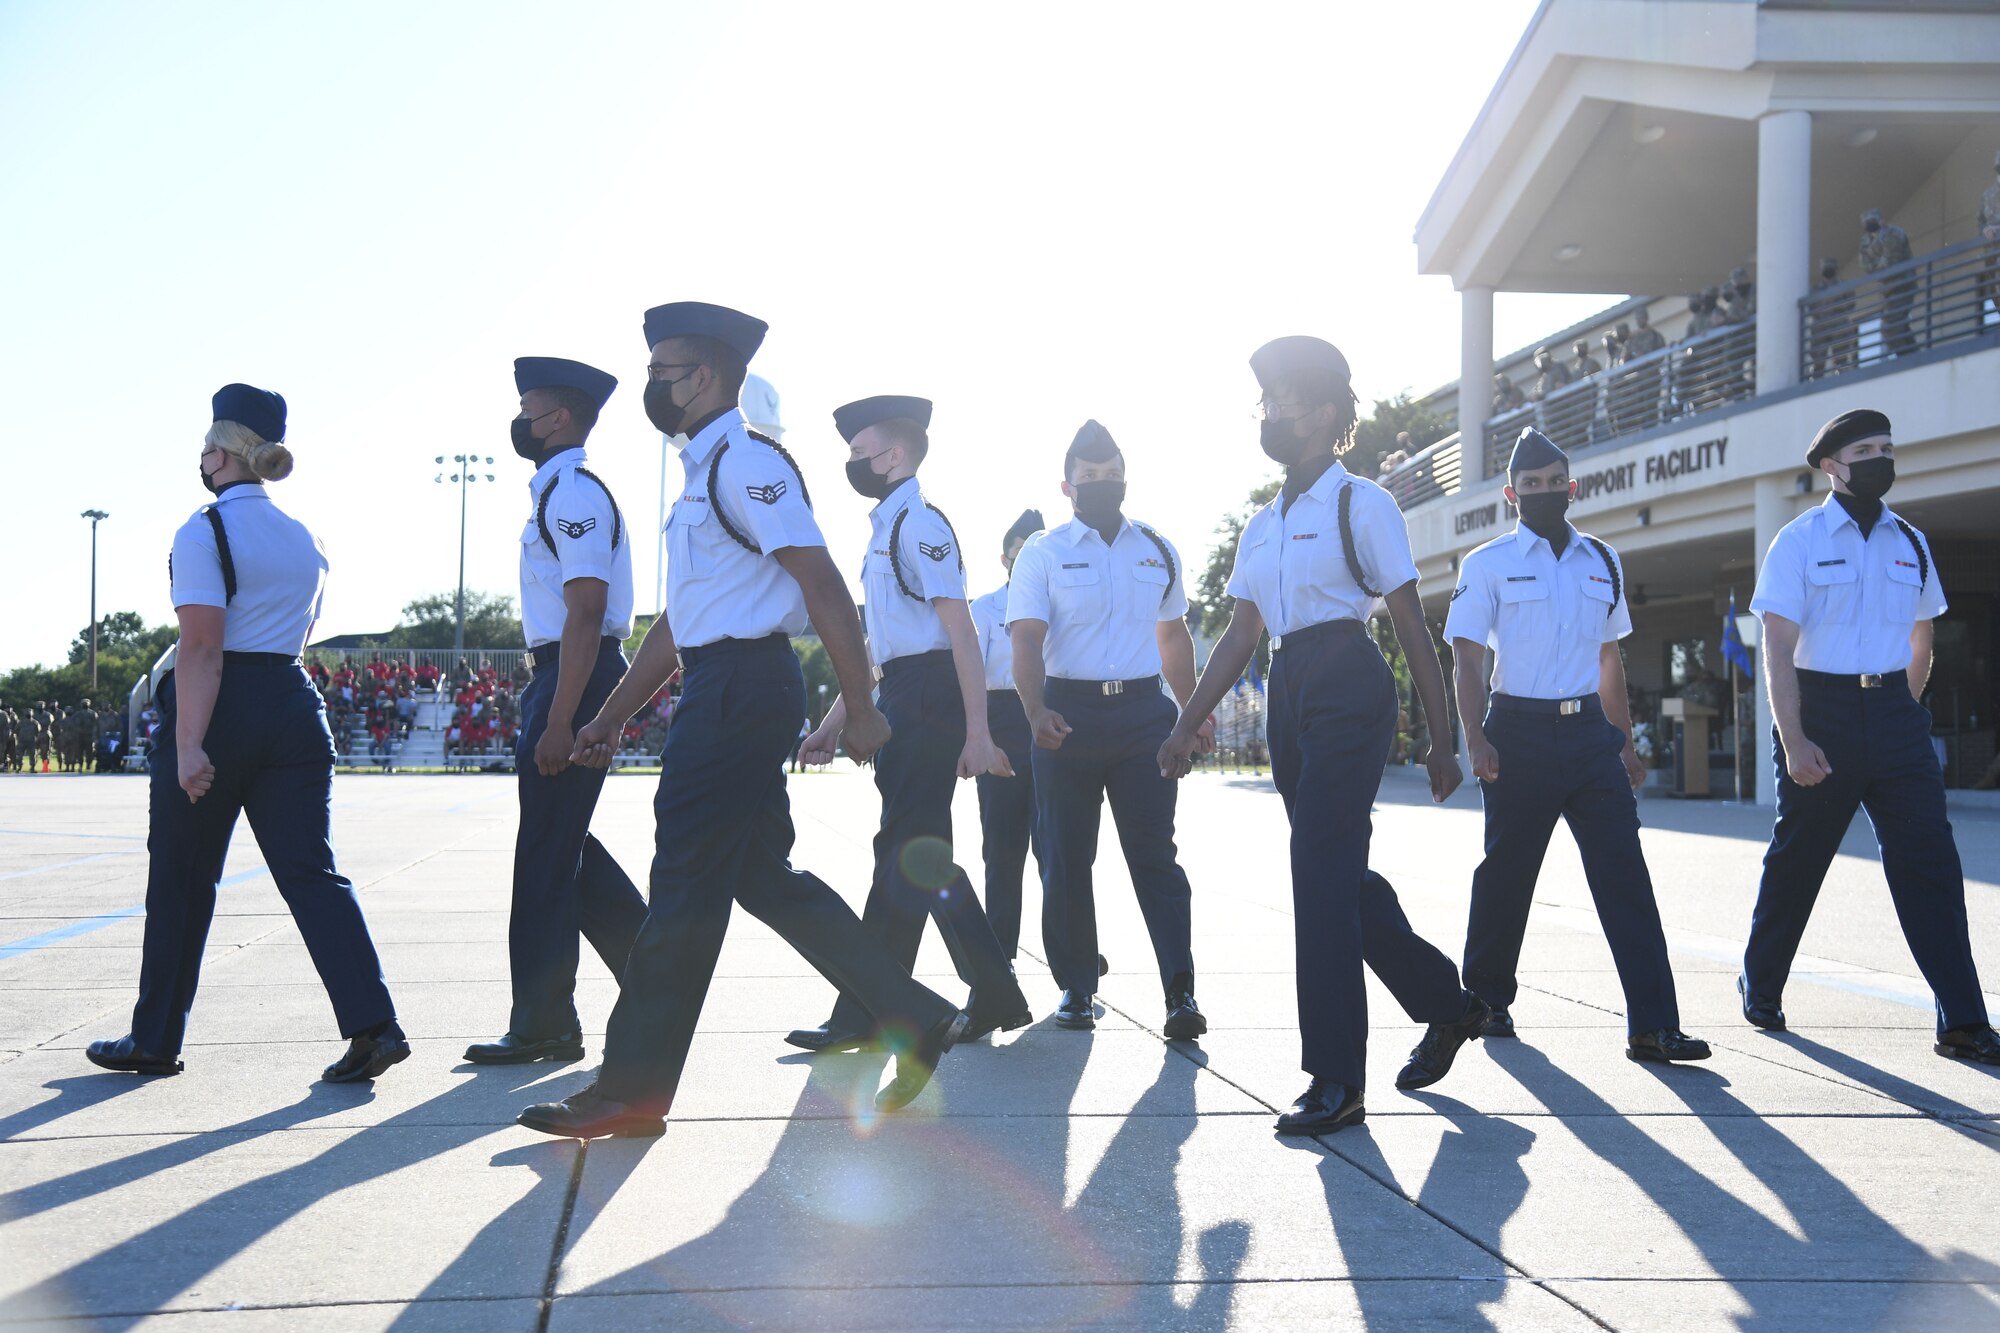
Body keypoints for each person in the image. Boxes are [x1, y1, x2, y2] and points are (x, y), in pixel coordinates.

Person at [518, 302, 966, 1138]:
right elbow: (680, 626)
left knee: (682, 884)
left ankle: (631, 1088)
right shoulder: (702, 472)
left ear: (709, 376)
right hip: (723, 682)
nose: (653, 386)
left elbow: (823, 583)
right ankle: (914, 1011)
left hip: (740, 690)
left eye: (664, 371)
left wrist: (861, 707)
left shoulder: (748, 466)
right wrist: (611, 715)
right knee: (762, 877)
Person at [1159, 335, 1488, 1137]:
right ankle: (1450, 1004)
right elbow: (1240, 634)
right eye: (1265, 399)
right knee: (1336, 873)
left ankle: (1336, 1077)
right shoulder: (1261, 523)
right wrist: (1185, 720)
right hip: (1289, 690)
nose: (1270, 411)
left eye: (1284, 399)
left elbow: (1411, 621)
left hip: (1348, 679)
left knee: (1317, 873)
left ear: (1328, 412)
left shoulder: (1361, 502)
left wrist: (1441, 739)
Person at [85, 384, 405, 1082]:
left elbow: (202, 646)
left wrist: (190, 743)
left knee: (181, 877)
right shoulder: (306, 537)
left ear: (223, 452)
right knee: (311, 874)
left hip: (222, 704)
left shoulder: (205, 530)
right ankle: (374, 1024)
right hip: (293, 701)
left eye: (204, 444)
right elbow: (294, 634)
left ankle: (155, 1036)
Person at [1445, 427, 1710, 1064]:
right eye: (1529, 486)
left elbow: (1608, 656)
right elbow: (1467, 656)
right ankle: (1485, 1003)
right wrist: (1474, 737)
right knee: (1507, 875)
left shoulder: (1603, 560)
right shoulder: (1486, 564)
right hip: (1517, 731)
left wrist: (1623, 741)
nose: (1542, 493)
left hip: (1591, 735)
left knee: (1626, 876)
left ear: (1573, 487)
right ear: (1511, 494)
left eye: (1552, 483)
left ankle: (1653, 1024)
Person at [1743, 409, 1998, 1065]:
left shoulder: (1908, 541)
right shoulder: (1797, 540)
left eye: (1887, 446)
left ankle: (1963, 1021)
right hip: (1818, 709)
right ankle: (1762, 984)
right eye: (1866, 448)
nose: (1882, 457)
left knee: (1932, 867)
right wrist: (1794, 738)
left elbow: (1922, 635)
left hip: (1894, 716)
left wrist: (1901, 714)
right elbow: (1777, 645)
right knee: (1799, 862)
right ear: (1833, 465)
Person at [784, 395, 1032, 1053]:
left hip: (929, 698)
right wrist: (838, 718)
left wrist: (979, 732)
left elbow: (960, 632)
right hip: (904, 691)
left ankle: (863, 1013)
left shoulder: (920, 526)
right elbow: (878, 650)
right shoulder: (886, 527)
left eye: (859, 452)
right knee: (923, 858)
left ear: (894, 455)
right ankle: (993, 990)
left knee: (900, 854)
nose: (853, 463)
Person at [464, 358, 650, 1066]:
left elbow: (586, 610)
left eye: (527, 408)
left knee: (545, 854)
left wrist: (562, 718)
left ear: (559, 419)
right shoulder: (559, 491)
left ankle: (544, 1021)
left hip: (576, 674)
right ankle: (653, 968)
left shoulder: (573, 493)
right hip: (568, 673)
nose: (520, 420)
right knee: (562, 846)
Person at [1007, 420, 1210, 1037]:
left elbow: (1172, 636)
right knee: (1067, 859)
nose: (1102, 483)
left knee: (1156, 857)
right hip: (1068, 717)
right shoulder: (1043, 552)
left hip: (1144, 718)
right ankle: (1076, 986)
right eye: (1089, 476)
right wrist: (1035, 711)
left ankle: (1180, 994)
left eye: (1111, 473)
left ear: (1125, 477)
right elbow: (1027, 639)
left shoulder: (1158, 549)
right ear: (1067, 486)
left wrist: (1192, 714)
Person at [970, 507, 1051, 962]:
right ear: (1004, 559)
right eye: (1018, 554)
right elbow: (973, 682)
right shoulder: (983, 610)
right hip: (1000, 723)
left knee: (1057, 849)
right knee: (1001, 850)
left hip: (1050, 724)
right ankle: (998, 954)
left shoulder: (1059, 604)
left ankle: (1073, 949)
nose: (1026, 562)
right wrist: (983, 740)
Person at [1860, 208, 1916, 357]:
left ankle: (1907, 358)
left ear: (1881, 220)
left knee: (1890, 327)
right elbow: (1867, 267)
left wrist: (1877, 266)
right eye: (1866, 222)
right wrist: (1877, 267)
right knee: (1899, 326)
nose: (1868, 224)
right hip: (1888, 289)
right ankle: (1912, 356)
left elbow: (1890, 260)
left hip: (1903, 285)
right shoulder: (1866, 240)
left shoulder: (1893, 233)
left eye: (1871, 220)